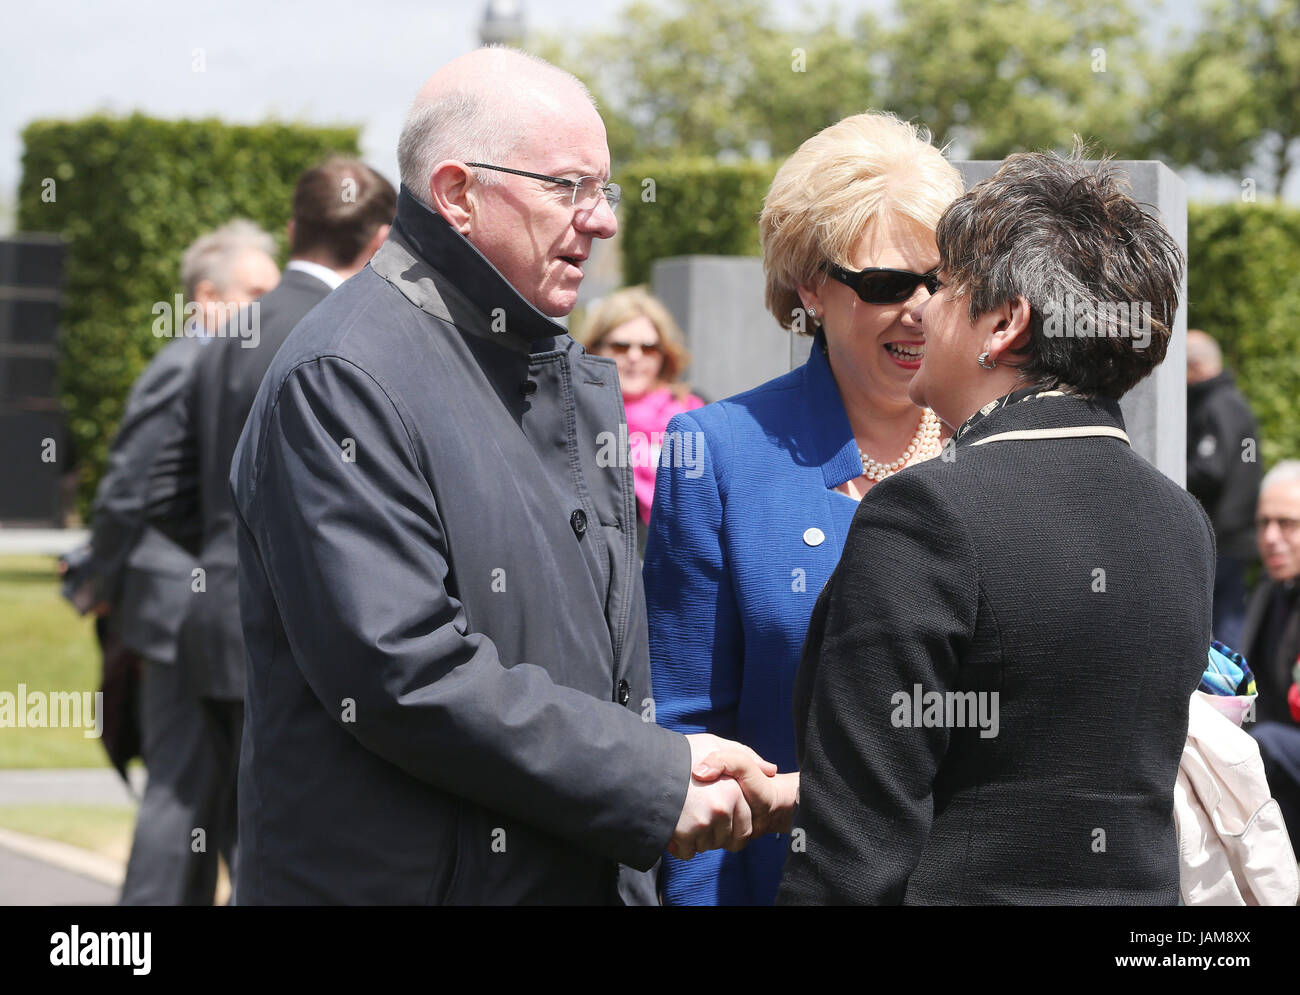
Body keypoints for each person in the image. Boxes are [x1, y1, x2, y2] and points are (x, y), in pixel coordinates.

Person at [226, 47, 786, 905]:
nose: (599, 220)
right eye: (568, 187)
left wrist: (671, 760)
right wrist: (647, 776)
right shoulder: (344, 378)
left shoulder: (549, 368)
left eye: (604, 189)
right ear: (457, 193)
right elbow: (405, 671)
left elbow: (587, 666)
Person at [778, 149, 1213, 905]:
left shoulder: (926, 515)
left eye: (943, 286)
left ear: (1005, 323)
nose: (918, 307)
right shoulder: (1182, 519)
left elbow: (852, 856)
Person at [643, 112, 962, 905]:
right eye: (886, 284)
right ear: (809, 287)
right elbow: (688, 735)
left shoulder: (994, 446)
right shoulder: (718, 451)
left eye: (943, 278)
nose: (918, 308)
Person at [144, 161, 395, 901]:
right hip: (300, 633)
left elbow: (167, 491)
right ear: (381, 242)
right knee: (292, 854)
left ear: (293, 229)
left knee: (223, 832)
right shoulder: (355, 333)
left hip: (210, 614)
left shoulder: (226, 331)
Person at [80, 220, 280, 905]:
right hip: (174, 614)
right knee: (180, 799)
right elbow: (128, 489)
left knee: (213, 804)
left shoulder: (216, 363)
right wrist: (99, 587)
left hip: (192, 610)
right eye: (256, 291)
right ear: (206, 295)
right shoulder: (189, 364)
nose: (270, 304)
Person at [579, 286, 705, 542]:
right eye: (621, 346)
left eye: (647, 348)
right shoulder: (575, 417)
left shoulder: (693, 411)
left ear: (663, 354)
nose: (634, 357)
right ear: (594, 349)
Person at [1238, 461, 1300, 854]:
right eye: (1263, 524)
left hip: (1280, 746)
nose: (1271, 537)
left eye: (1287, 523)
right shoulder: (1270, 592)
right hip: (1279, 750)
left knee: (1264, 744)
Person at [1186, 328, 1261, 649]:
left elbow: (1211, 469)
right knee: (1227, 617)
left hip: (1223, 535)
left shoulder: (1217, 405)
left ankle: (1227, 693)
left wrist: (1165, 481)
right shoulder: (1231, 402)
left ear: (1197, 367)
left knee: (1221, 624)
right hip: (1234, 533)